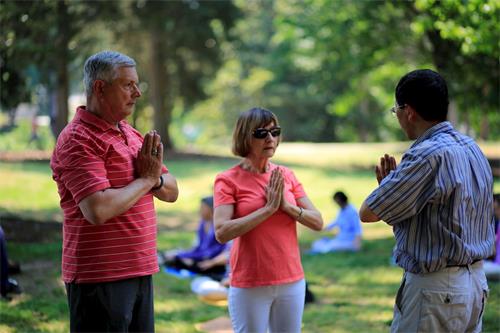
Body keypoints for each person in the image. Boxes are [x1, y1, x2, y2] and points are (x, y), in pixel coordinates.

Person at [50, 51, 179, 332]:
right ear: (100, 87)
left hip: (140, 270)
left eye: (137, 85)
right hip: (100, 279)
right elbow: (98, 209)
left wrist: (154, 180)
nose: (137, 93)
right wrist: (146, 181)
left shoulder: (131, 134)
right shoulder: (77, 139)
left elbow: (171, 190)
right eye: (128, 85)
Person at [359, 69, 495, 333]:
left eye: (395, 110)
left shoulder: (426, 155)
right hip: (475, 283)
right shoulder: (472, 148)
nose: (396, 116)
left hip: (437, 290)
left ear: (408, 111)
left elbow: (368, 211)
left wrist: (388, 187)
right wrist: (396, 194)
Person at [214, 107, 323, 333]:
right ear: (245, 137)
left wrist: (287, 207)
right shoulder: (227, 180)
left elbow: (317, 221)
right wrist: (268, 209)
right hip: (249, 283)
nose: (270, 139)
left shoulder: (287, 175)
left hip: (291, 280)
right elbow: (222, 232)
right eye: (261, 134)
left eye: (275, 132)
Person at [160, 196, 227, 280]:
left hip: (214, 262)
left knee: (178, 260)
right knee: (175, 256)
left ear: (211, 209)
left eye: (203, 208)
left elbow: (227, 253)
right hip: (200, 256)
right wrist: (186, 255)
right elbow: (197, 247)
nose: (200, 211)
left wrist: (211, 263)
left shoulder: (219, 225)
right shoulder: (202, 223)